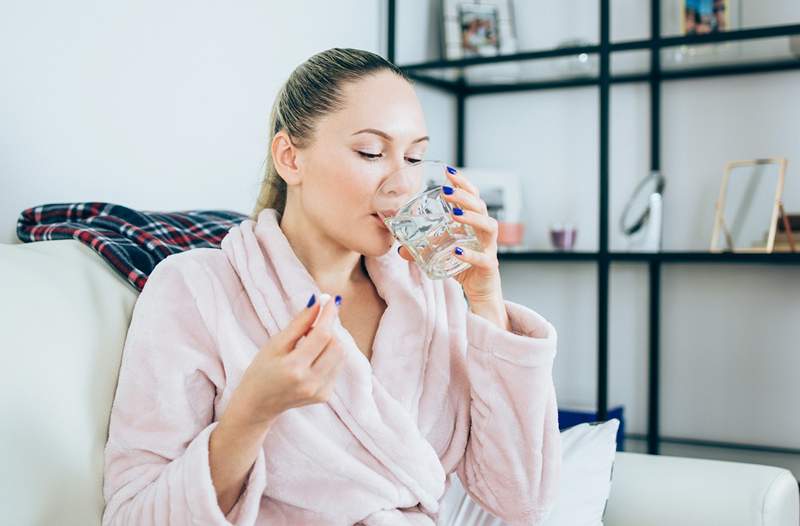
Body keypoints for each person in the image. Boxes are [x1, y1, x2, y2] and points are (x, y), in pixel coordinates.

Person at [101, 47, 561, 525]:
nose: (403, 184)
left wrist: (485, 299)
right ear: (290, 158)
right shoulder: (195, 289)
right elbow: (135, 515)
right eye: (371, 152)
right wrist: (252, 413)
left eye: (415, 156)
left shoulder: (432, 293)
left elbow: (522, 500)